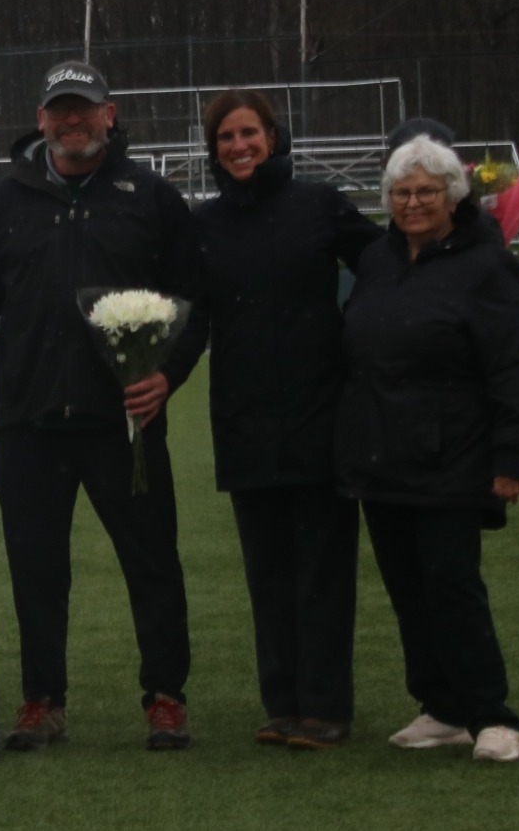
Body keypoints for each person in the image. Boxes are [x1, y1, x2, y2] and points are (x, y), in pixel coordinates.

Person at [0, 59, 201, 753]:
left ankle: (166, 696)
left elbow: (191, 303)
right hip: (29, 422)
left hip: (125, 422)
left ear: (108, 115)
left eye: (85, 107)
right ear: (41, 119)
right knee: (35, 567)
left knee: (151, 561)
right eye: (61, 109)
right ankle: (41, 700)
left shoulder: (149, 196)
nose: (73, 119)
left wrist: (168, 374)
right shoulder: (2, 204)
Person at [163, 90, 381, 750]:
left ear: (272, 136)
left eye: (249, 132)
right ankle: (282, 704)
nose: (239, 146)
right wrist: (161, 380)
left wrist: (374, 338)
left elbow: (381, 263)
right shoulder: (203, 225)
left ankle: (327, 707)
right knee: (269, 575)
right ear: (213, 147)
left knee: (323, 570)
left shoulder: (320, 205)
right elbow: (195, 320)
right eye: (226, 137)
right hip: (244, 422)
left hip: (322, 419)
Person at [336, 135, 519, 764]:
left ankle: (492, 714)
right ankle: (441, 707)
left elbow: (515, 366)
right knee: (407, 588)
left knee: (452, 584)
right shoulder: (377, 259)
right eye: (401, 192)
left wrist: (511, 457)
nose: (413, 202)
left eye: (426, 191)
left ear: (454, 196)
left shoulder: (487, 266)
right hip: (382, 456)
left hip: (453, 455)